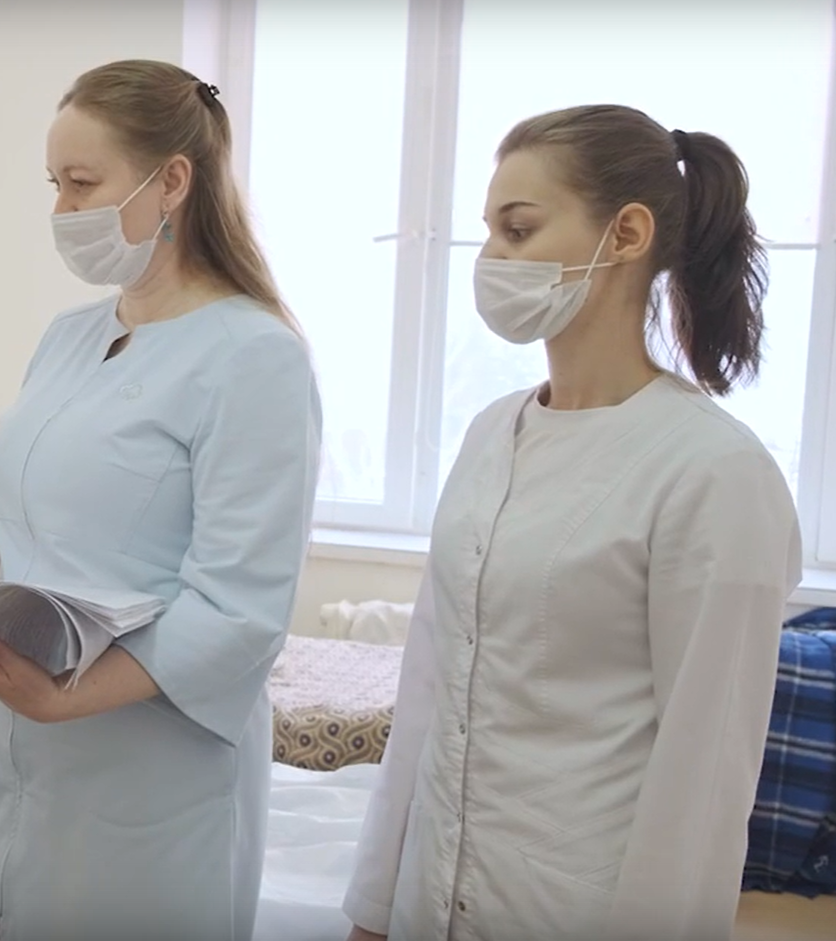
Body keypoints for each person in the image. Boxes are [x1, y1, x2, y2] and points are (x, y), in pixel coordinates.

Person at [342, 105, 803, 941]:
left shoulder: (715, 472)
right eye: (489, 232)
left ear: (626, 234)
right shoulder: (491, 433)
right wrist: (374, 908)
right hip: (427, 900)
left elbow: (702, 781)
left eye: (518, 230)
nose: (491, 259)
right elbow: (427, 693)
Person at [0, 60, 322, 941]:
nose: (62, 210)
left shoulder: (254, 357)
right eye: (54, 184)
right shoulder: (69, 337)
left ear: (172, 181)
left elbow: (239, 609)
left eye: (83, 184)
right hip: (20, 761)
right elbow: (30, 504)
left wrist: (67, 696)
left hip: (152, 774)